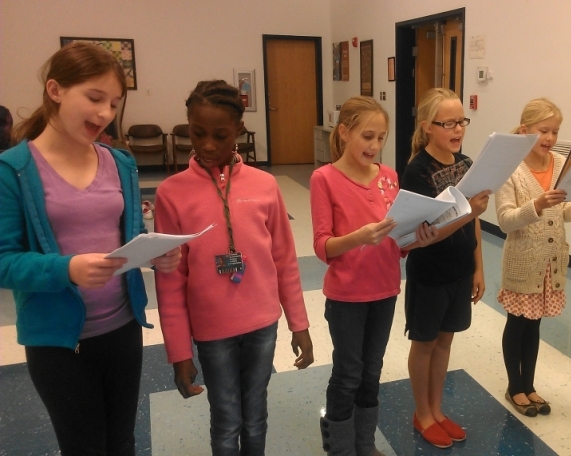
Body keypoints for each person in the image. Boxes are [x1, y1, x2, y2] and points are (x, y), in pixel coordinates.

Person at [0, 42, 181, 455]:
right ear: (55, 90)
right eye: (95, 98)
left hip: (122, 328)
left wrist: (154, 254)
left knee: (122, 441)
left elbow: (128, 237)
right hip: (59, 341)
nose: (105, 114)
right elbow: (3, 261)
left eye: (114, 104)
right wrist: (66, 268)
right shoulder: (14, 170)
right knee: (83, 445)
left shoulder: (120, 163)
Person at [154, 80, 314, 455]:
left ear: (239, 131)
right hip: (212, 332)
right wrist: (179, 352)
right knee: (226, 420)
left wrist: (300, 324)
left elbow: (285, 262)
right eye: (198, 133)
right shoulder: (172, 194)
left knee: (256, 414)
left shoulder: (264, 185)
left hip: (262, 326)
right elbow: (170, 281)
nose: (208, 144)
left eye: (220, 135)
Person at [310, 96, 437, 456]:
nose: (375, 145)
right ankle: (340, 447)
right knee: (348, 372)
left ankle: (364, 445)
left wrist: (415, 240)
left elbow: (396, 243)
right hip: (347, 296)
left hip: (384, 290)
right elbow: (322, 246)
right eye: (367, 136)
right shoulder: (325, 179)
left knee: (371, 372)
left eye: (380, 137)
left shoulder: (389, 177)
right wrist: (358, 237)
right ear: (345, 132)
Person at [401, 88, 491, 449]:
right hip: (431, 272)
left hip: (459, 270)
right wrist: (469, 210)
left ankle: (437, 409)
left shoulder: (466, 165)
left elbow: (475, 224)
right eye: (447, 123)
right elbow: (426, 236)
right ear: (427, 127)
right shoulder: (417, 171)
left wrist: (478, 268)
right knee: (424, 344)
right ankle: (421, 412)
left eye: (461, 121)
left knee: (445, 341)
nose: (457, 129)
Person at [495, 98, 571, 417]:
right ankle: (514, 387)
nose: (550, 138)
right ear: (525, 131)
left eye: (555, 131)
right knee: (518, 324)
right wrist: (536, 206)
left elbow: (564, 213)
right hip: (522, 263)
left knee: (534, 326)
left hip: (551, 263)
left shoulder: (560, 164)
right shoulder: (510, 168)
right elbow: (505, 220)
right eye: (543, 131)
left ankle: (530, 384)